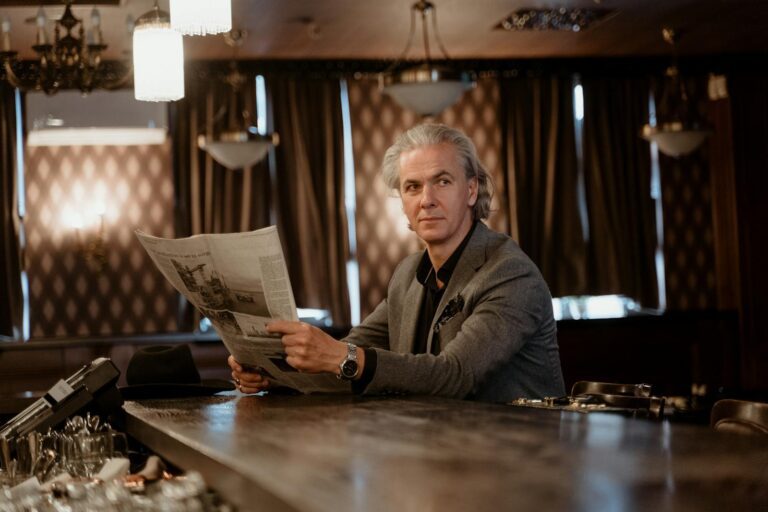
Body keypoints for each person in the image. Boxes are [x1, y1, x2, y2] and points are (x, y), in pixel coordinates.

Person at [229, 124, 565, 402]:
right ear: (402, 202)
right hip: (436, 452)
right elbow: (350, 357)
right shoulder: (407, 274)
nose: (427, 200)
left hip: (519, 460)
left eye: (442, 181)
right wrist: (274, 375)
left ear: (472, 191)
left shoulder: (510, 273)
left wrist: (341, 357)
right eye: (413, 187)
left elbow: (456, 375)